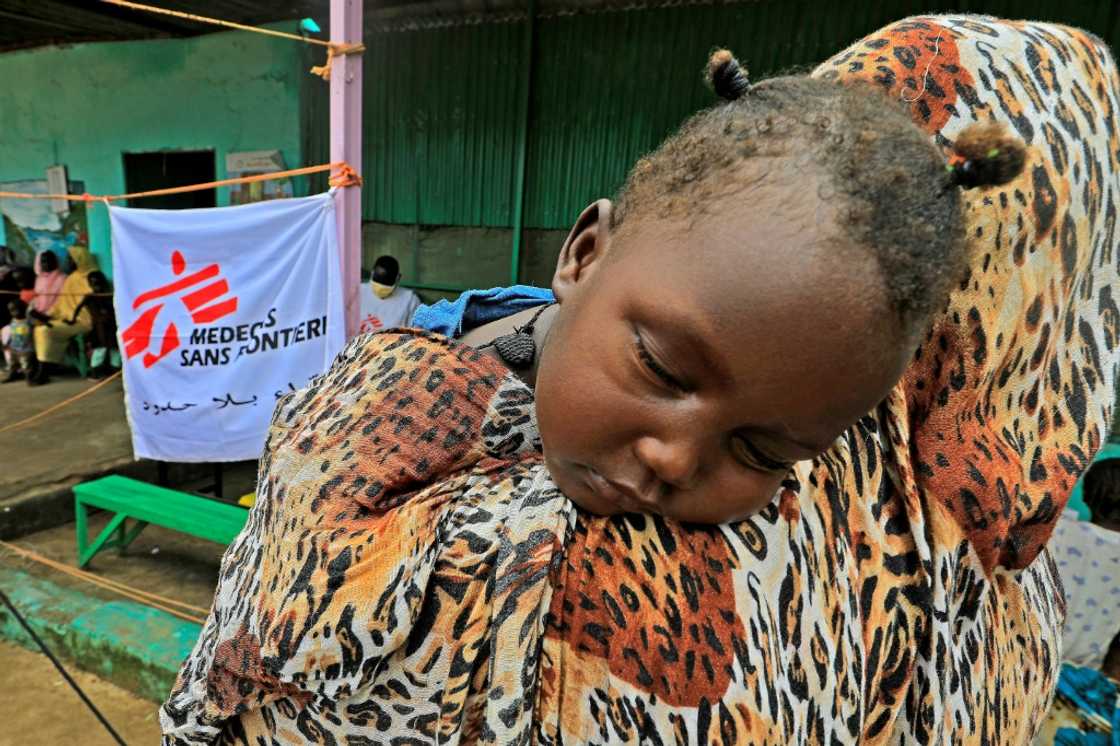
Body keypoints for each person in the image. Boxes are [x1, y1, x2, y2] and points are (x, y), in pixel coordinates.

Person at [163, 16, 1116, 745]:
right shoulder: (401, 425)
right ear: (582, 252)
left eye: (760, 450)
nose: (671, 457)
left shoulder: (873, 506)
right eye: (661, 368)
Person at [28, 244, 98, 385]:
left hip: (82, 321)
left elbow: (90, 301)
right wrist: (48, 315)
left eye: (71, 259)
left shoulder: (92, 276)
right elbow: (62, 302)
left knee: (46, 331)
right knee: (40, 328)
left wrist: (72, 318)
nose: (68, 262)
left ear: (80, 259)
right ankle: (43, 367)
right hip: (66, 318)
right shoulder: (72, 278)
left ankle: (43, 371)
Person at [65, 271, 119, 379]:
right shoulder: (89, 297)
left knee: (115, 349)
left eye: (99, 283)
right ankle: (95, 371)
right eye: (94, 284)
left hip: (111, 326)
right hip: (99, 328)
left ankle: (115, 370)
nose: (97, 286)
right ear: (90, 285)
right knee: (100, 349)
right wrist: (73, 320)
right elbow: (78, 308)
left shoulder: (109, 295)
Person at [357, 255, 421, 333]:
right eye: (377, 279)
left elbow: (416, 333)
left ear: (398, 278)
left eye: (387, 282)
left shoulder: (410, 301)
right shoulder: (358, 292)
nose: (381, 287)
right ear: (372, 273)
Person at [1, 300, 34, 383]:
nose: (13, 313)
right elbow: (12, 333)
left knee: (26, 365)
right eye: (11, 310)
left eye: (15, 310)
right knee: (12, 364)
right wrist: (7, 343)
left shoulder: (28, 321)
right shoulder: (13, 321)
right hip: (14, 348)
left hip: (26, 349)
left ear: (23, 309)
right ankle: (12, 375)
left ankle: (29, 378)